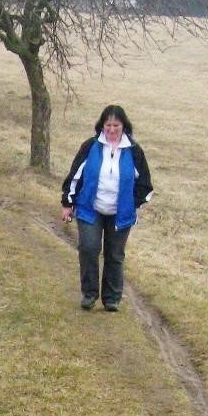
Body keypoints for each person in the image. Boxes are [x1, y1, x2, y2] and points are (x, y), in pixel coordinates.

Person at [61, 105, 153, 312]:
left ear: (124, 127)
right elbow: (74, 176)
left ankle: (112, 299)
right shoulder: (90, 147)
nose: (112, 129)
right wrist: (67, 203)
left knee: (115, 255)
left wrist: (132, 203)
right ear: (102, 126)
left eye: (116, 125)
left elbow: (145, 186)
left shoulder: (134, 152)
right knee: (89, 248)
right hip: (89, 209)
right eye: (108, 125)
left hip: (120, 214)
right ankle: (89, 294)